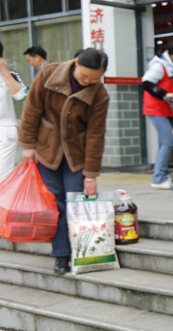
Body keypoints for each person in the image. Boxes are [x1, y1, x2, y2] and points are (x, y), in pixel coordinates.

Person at [17, 48, 110, 275]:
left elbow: (96, 135)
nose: (87, 81)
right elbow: (31, 110)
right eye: (84, 76)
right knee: (54, 203)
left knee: (74, 202)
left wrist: (91, 175)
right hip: (47, 149)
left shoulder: (100, 94)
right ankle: (61, 255)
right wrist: (28, 145)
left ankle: (79, 252)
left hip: (76, 155)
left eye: (94, 78)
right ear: (76, 62)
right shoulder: (48, 74)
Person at [141, 40, 173, 189]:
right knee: (168, 142)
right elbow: (147, 83)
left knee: (163, 143)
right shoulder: (160, 65)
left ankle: (160, 175)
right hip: (156, 109)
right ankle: (158, 178)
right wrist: (164, 94)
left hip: (167, 109)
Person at [0, 40, 27, 182]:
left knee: (2, 176)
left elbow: (20, 96)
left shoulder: (10, 76)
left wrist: (4, 71)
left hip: (5, 129)